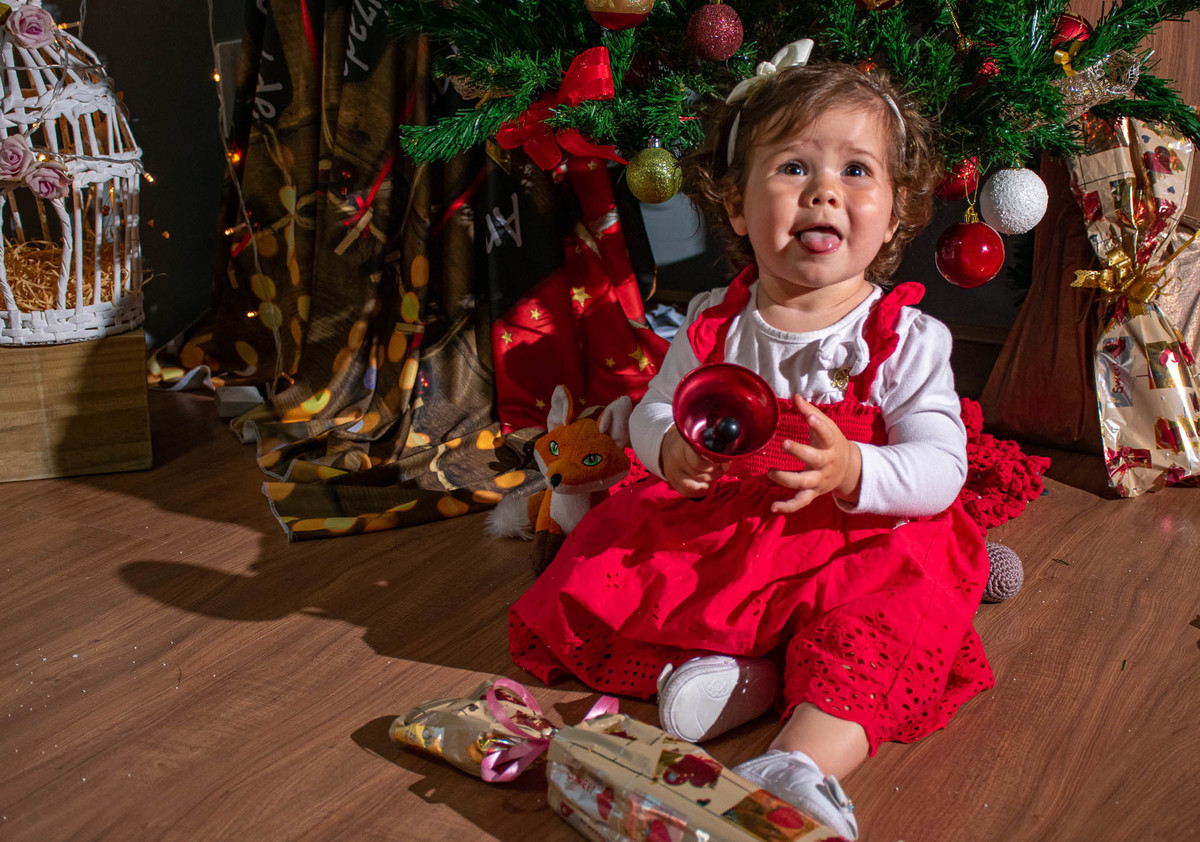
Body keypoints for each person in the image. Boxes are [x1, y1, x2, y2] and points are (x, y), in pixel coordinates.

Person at [508, 40, 995, 839]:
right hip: (728, 530)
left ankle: (798, 763)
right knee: (626, 569)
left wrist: (852, 467)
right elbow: (656, 413)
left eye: (856, 171)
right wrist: (669, 451)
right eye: (794, 169)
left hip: (853, 541)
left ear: (900, 211)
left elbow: (941, 468)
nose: (824, 194)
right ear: (736, 206)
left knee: (887, 620)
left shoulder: (906, 338)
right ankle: (744, 674)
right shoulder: (711, 326)